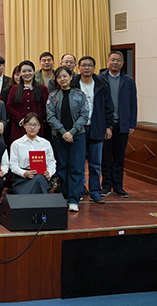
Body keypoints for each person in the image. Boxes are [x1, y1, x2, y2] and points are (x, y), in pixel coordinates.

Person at [46, 67, 89, 212]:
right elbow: (51, 117)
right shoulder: (53, 96)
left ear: (71, 76)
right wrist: (64, 133)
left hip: (78, 136)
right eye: (59, 77)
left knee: (76, 168)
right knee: (62, 167)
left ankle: (74, 199)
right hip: (59, 136)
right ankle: (64, 196)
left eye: (65, 76)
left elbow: (84, 115)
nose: (62, 79)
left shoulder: (80, 95)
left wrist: (72, 132)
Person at [73, 55, 114, 204]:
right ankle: (78, 191)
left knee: (95, 164)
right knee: (78, 164)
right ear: (79, 68)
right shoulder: (73, 84)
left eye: (89, 65)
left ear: (94, 68)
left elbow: (109, 108)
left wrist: (109, 126)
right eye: (83, 65)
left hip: (97, 128)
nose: (86, 68)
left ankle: (95, 192)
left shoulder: (101, 85)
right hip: (78, 129)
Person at [100, 51, 138, 198]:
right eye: (113, 60)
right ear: (107, 61)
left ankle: (118, 186)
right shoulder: (100, 79)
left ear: (122, 63)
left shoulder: (129, 81)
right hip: (105, 125)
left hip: (122, 125)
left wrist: (132, 124)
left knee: (119, 158)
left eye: (118, 60)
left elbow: (133, 103)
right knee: (106, 157)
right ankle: (106, 186)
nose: (115, 62)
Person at [9, 112, 57, 197]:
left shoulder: (45, 143)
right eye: (29, 124)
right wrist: (24, 173)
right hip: (22, 179)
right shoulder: (17, 144)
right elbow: (13, 165)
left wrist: (49, 172)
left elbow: (51, 162)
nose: (32, 127)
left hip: (41, 176)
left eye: (35, 124)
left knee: (40, 178)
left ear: (40, 126)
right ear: (24, 126)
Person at [6, 60, 49, 143]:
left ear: (34, 72)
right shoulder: (14, 89)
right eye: (24, 71)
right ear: (20, 73)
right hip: (19, 127)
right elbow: (9, 106)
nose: (27, 73)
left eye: (29, 71)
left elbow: (46, 107)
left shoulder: (42, 88)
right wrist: (21, 120)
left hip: (36, 127)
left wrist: (36, 121)